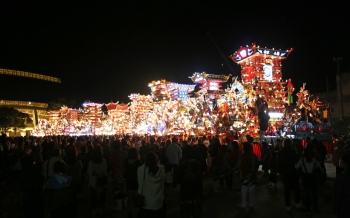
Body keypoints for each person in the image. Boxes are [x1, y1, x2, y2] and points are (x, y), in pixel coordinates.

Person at [295, 144, 323, 216]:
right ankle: (315, 208)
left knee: (307, 194)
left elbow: (296, 166)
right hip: (314, 178)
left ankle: (308, 209)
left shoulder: (302, 159)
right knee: (314, 194)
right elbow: (321, 169)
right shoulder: (315, 160)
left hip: (306, 178)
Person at [176, 145, 203, 218]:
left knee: (185, 213)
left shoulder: (181, 165)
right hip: (196, 192)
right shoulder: (197, 164)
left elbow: (178, 180)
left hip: (185, 192)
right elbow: (200, 177)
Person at [137, 152, 165, 217]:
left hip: (146, 203)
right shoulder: (161, 169)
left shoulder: (141, 169)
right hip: (159, 202)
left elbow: (140, 184)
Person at [278, 139, 302, 211]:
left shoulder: (281, 152)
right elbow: (297, 161)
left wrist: (281, 172)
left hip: (285, 173)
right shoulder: (293, 151)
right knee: (296, 188)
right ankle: (297, 203)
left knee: (287, 190)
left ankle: (288, 205)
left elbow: (279, 164)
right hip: (293, 172)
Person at [236, 142, 259, 209]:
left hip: (245, 176)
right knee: (252, 190)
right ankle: (252, 203)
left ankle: (243, 204)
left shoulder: (244, 156)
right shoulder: (253, 155)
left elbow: (241, 166)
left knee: (244, 190)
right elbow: (256, 165)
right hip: (252, 176)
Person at [87, 148, 108, 217]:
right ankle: (101, 211)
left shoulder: (91, 162)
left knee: (93, 199)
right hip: (102, 182)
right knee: (102, 198)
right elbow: (105, 172)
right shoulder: (104, 161)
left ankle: (94, 213)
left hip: (93, 183)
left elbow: (89, 173)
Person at [109, 140, 128, 210]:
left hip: (116, 174)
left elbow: (110, 165)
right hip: (124, 173)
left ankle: (119, 206)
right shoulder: (125, 153)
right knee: (124, 189)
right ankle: (125, 204)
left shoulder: (112, 155)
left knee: (117, 190)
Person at [124, 148, 142, 218]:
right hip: (136, 182)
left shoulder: (126, 162)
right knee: (136, 198)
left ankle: (129, 211)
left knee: (129, 198)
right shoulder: (138, 162)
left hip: (129, 181)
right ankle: (137, 211)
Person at [334, 153, 350, 218]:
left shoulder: (341, 177)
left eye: (340, 159)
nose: (339, 160)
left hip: (343, 206)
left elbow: (337, 194)